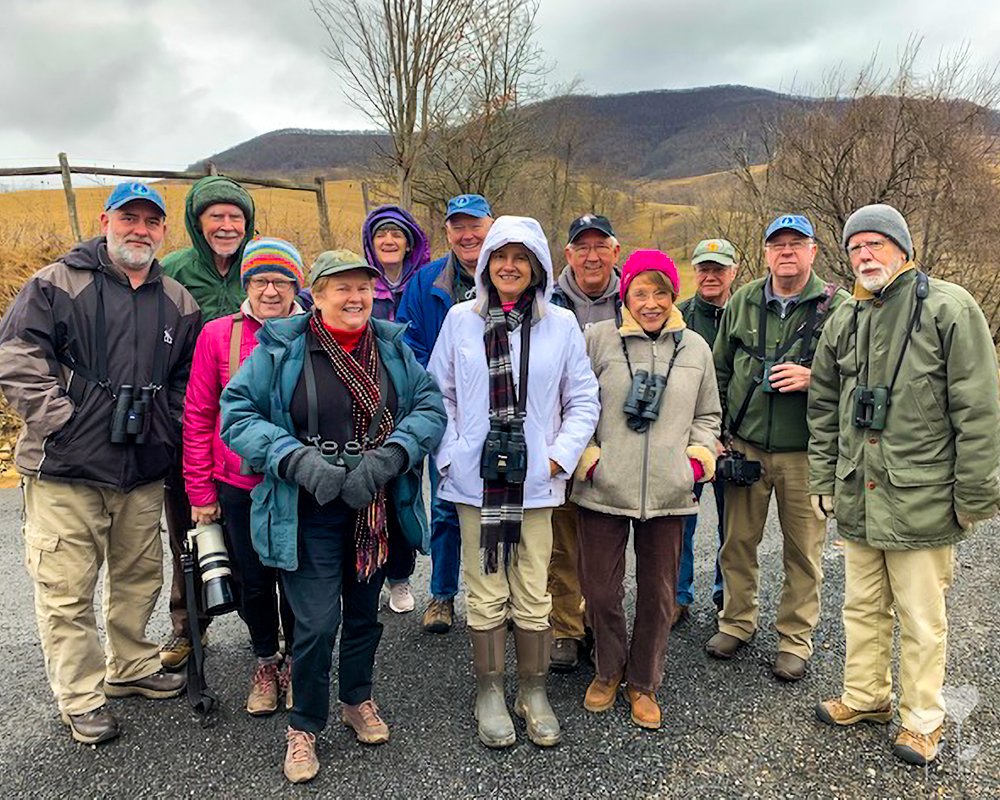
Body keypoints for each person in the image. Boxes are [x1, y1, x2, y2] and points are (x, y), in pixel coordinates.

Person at [220, 249, 445, 784]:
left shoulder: (391, 347)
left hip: (373, 506)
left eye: (363, 287)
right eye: (340, 288)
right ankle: (304, 725)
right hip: (308, 507)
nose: (355, 297)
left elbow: (430, 407)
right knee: (317, 623)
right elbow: (237, 414)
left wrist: (392, 456)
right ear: (316, 297)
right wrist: (294, 458)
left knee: (365, 616)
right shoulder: (281, 348)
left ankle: (357, 700)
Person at [0, 182, 200, 744]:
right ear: (105, 219)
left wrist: (166, 429)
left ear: (164, 230)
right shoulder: (56, 283)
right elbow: (16, 357)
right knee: (66, 587)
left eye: (151, 222)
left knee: (139, 575)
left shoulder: (178, 299)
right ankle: (80, 696)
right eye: (128, 218)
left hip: (141, 468)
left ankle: (131, 665)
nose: (140, 229)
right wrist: (62, 421)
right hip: (66, 467)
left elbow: (188, 380)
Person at [808, 204, 1000, 766]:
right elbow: (822, 405)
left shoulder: (948, 307)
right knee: (862, 606)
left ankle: (922, 721)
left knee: (920, 615)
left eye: (875, 244)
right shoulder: (846, 317)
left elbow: (979, 411)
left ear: (901, 247)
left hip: (922, 495)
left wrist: (975, 496)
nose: (864, 255)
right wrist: (824, 478)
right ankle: (867, 697)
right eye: (855, 247)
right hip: (859, 494)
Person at [428, 215, 600, 749]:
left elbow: (583, 399)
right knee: (484, 591)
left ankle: (534, 690)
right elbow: (439, 395)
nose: (509, 266)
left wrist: (558, 458)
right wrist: (452, 456)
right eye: (500, 257)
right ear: (485, 265)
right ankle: (489, 692)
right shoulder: (460, 320)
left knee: (532, 587)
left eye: (520, 258)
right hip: (476, 480)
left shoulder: (561, 324)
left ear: (538, 267)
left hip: (537, 483)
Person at [572, 249, 721, 730]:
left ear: (673, 295)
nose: (651, 302)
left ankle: (643, 682)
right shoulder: (597, 338)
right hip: (603, 488)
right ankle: (608, 671)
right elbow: (572, 402)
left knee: (659, 596)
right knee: (599, 589)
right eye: (641, 291)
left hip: (668, 493)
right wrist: (589, 459)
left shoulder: (695, 348)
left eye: (660, 292)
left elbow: (707, 416)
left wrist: (696, 463)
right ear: (626, 294)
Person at [706, 214, 848, 682]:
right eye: (777, 244)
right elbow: (720, 370)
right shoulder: (744, 300)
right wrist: (722, 431)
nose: (786, 251)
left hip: (806, 452)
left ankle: (794, 639)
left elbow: (859, 377)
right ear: (765, 252)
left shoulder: (838, 308)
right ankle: (736, 622)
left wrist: (815, 379)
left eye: (796, 243)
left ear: (813, 251)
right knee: (736, 543)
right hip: (745, 446)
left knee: (803, 552)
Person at [183, 237, 307, 716]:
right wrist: (200, 490)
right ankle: (264, 660)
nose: (270, 290)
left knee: (297, 578)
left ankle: (297, 660)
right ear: (246, 284)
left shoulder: (315, 332)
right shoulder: (218, 335)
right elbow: (198, 415)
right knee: (253, 582)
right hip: (237, 485)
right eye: (259, 280)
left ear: (297, 284)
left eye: (280, 280)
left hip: (298, 484)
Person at [160, 175, 256, 669]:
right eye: (216, 216)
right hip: (189, 417)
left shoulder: (261, 269)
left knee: (252, 531)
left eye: (235, 217)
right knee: (190, 528)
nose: (226, 225)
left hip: (251, 430)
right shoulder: (173, 272)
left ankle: (265, 630)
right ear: (198, 223)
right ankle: (187, 625)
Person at [397, 194, 494, 634]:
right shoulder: (426, 282)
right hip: (448, 412)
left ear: (491, 225)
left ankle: (497, 596)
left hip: (505, 411)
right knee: (447, 504)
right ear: (448, 232)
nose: (467, 234)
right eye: (457, 226)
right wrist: (440, 393)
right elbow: (408, 347)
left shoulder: (511, 270)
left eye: (475, 224)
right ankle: (441, 594)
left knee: (505, 508)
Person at [546, 213, 622, 671]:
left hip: (618, 440)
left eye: (601, 246)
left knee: (607, 542)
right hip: (562, 438)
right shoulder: (547, 302)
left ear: (616, 252)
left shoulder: (635, 299)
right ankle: (565, 628)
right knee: (562, 541)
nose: (591, 256)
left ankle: (600, 622)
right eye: (582, 247)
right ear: (568, 254)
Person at [361, 204, 432, 614]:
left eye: (396, 234)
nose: (389, 241)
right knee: (365, 492)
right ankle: (367, 571)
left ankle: (400, 577)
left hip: (405, 403)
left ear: (410, 242)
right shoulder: (360, 283)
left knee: (403, 494)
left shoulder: (421, 285)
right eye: (380, 234)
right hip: (360, 401)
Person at [674, 238, 737, 622]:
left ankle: (726, 595)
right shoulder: (678, 320)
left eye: (719, 268)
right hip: (689, 440)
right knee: (681, 520)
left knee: (734, 526)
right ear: (694, 272)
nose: (710, 276)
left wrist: (727, 436)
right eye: (704, 268)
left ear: (733, 272)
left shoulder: (746, 314)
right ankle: (678, 595)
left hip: (735, 440)